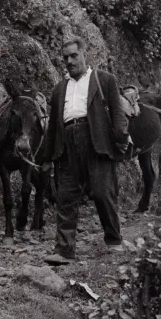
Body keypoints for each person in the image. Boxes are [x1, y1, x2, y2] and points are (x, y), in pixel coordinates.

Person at [41, 36, 130, 264]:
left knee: (102, 192)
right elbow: (52, 127)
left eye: (73, 55)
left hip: (96, 141)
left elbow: (118, 114)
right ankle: (64, 250)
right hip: (67, 144)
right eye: (66, 58)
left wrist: (121, 139)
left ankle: (113, 239)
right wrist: (47, 158)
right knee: (66, 197)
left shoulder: (105, 80)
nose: (70, 61)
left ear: (83, 55)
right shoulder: (59, 89)